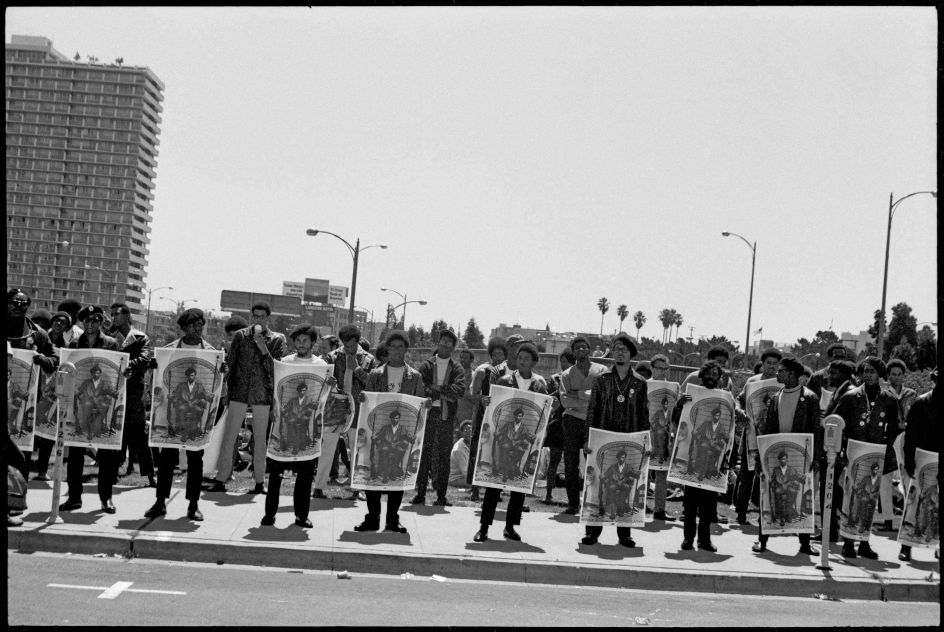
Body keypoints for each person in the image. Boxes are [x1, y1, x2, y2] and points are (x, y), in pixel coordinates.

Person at [145, 308, 223, 522]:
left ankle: (193, 505)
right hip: (177, 415)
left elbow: (212, 386)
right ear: (183, 328)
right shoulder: (169, 350)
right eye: (191, 325)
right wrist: (155, 367)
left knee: (195, 461)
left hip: (196, 418)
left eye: (199, 325)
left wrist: (221, 370)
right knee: (167, 459)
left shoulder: (210, 352)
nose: (196, 329)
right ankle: (160, 502)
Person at [353, 330, 430, 534]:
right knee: (374, 473)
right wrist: (363, 399)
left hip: (401, 437)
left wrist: (426, 404)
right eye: (393, 347)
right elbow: (367, 400)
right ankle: (372, 518)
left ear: (406, 350)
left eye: (400, 347)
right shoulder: (375, 374)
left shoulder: (415, 377)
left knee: (398, 474)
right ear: (387, 349)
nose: (396, 350)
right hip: (378, 432)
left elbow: (419, 405)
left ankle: (392, 520)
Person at [207, 302, 286, 494]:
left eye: (262, 316)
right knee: (229, 437)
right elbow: (231, 363)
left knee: (260, 440)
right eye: (255, 316)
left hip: (262, 395)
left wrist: (262, 347)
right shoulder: (240, 336)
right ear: (252, 317)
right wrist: (226, 387)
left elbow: (276, 369)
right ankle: (221, 478)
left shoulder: (277, 339)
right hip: (239, 392)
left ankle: (259, 482)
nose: (258, 319)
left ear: (268, 318)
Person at [473, 342, 548, 543]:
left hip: (522, 446)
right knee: (493, 484)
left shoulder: (540, 384)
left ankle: (510, 527)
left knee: (518, 486)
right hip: (502, 442)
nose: (522, 361)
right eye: (519, 358)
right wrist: (485, 401)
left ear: (534, 362)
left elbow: (542, 413)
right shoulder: (504, 380)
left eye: (527, 359)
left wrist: (553, 406)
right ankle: (483, 527)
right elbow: (492, 403)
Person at [581, 333, 649, 548]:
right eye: (617, 348)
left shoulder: (639, 383)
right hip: (603, 439)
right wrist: (587, 439)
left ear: (631, 355)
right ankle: (592, 531)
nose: (620, 352)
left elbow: (644, 415)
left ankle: (624, 534)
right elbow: (592, 411)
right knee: (600, 484)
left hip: (629, 441)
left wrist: (646, 443)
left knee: (625, 486)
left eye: (624, 349)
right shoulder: (602, 380)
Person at [751, 356, 820, 555]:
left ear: (791, 373)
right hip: (777, 453)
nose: (778, 373)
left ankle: (805, 544)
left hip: (800, 455)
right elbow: (767, 429)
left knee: (800, 497)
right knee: (769, 497)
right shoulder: (776, 397)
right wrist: (760, 457)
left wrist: (815, 458)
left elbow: (816, 429)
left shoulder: (810, 398)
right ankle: (762, 541)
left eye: (781, 370)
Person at [260, 324, 326, 528]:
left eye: (305, 340)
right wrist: (273, 408)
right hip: (284, 426)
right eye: (298, 340)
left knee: (305, 478)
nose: (301, 344)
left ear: (313, 343)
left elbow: (324, 395)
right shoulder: (285, 363)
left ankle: (301, 516)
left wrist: (330, 383)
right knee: (276, 476)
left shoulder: (321, 364)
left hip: (307, 430)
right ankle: (269, 514)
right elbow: (275, 389)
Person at [833, 357, 899, 560]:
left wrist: (886, 449)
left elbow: (895, 427)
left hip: (876, 456)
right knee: (851, 498)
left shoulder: (888, 399)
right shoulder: (851, 397)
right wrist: (842, 450)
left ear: (880, 374)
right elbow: (836, 423)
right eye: (865, 371)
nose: (868, 374)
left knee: (869, 500)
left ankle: (864, 543)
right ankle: (848, 544)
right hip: (854, 453)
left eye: (872, 371)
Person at [58, 305, 121, 513]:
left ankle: (106, 498)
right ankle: (74, 497)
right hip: (82, 403)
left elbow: (116, 372)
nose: (91, 324)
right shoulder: (75, 343)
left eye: (95, 320)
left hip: (103, 405)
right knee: (75, 453)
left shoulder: (111, 344)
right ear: (82, 323)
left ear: (101, 321)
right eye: (87, 320)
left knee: (107, 455)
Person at [674, 360, 727, 552]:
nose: (711, 377)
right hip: (695, 462)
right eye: (709, 374)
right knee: (690, 503)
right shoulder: (691, 396)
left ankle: (704, 540)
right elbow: (679, 422)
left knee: (708, 504)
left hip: (713, 464)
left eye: (716, 374)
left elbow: (729, 433)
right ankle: (688, 538)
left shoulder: (726, 400)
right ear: (702, 375)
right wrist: (680, 405)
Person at [415, 328, 466, 506]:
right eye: (442, 341)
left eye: (449, 342)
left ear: (453, 347)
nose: (445, 344)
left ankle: (441, 496)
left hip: (446, 416)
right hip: (428, 415)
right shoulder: (427, 365)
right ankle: (420, 494)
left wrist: (436, 388)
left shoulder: (457, 367)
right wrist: (444, 392)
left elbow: (459, 390)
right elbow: (421, 388)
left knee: (444, 457)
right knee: (424, 455)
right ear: (438, 342)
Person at [732, 348, 783, 524]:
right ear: (762, 364)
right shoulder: (752, 381)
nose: (772, 366)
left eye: (776, 363)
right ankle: (740, 513)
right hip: (752, 435)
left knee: (771, 476)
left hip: (774, 437)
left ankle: (765, 515)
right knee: (747, 475)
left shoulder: (783, 383)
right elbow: (739, 399)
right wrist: (739, 411)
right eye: (769, 363)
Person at [325, 325, 375, 501]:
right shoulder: (333, 357)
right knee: (328, 447)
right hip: (335, 407)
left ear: (358, 342)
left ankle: (357, 488)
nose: (349, 349)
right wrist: (329, 381)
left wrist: (357, 369)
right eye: (346, 346)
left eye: (352, 346)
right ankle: (319, 486)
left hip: (357, 409)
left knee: (357, 449)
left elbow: (373, 386)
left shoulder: (368, 360)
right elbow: (323, 380)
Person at [559, 336, 608, 514]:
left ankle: (593, 501)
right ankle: (573, 503)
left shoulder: (602, 370)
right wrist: (590, 399)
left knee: (594, 463)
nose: (580, 350)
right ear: (573, 351)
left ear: (589, 349)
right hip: (571, 420)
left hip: (594, 422)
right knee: (571, 463)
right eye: (577, 348)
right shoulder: (566, 375)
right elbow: (564, 402)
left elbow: (603, 397)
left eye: (583, 347)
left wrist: (578, 394)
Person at [109, 302, 155, 486]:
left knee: (140, 435)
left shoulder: (140, 337)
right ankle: (112, 471)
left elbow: (145, 359)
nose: (113, 317)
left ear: (127, 316)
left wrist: (129, 366)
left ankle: (150, 474)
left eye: (116, 314)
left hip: (133, 392)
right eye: (111, 314)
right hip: (113, 390)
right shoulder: (109, 338)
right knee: (114, 432)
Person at [898, 369, 939, 561]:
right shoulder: (921, 403)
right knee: (914, 503)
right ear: (934, 381)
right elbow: (911, 434)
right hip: (923, 457)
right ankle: (906, 546)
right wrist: (909, 460)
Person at [466, 336, 508, 502]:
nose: (497, 357)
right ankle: (475, 490)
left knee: (497, 453)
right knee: (478, 452)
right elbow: (473, 394)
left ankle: (494, 490)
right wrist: (481, 399)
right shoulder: (483, 371)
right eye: (495, 354)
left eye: (501, 354)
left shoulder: (508, 374)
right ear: (491, 354)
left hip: (500, 420)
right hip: (483, 417)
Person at [543, 349, 573, 504]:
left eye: (566, 361)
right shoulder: (555, 378)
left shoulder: (576, 379)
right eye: (562, 361)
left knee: (570, 463)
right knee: (554, 461)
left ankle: (571, 498)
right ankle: (548, 494)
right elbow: (550, 398)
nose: (563, 364)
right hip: (558, 424)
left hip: (573, 424)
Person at [372, 409, 414, 483]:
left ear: (399, 418)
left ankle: (391, 473)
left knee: (398, 453)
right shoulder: (386, 428)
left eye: (397, 418)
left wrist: (413, 438)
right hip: (387, 447)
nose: (395, 420)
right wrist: (373, 437)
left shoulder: (403, 428)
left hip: (397, 448)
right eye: (393, 418)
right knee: (384, 452)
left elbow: (410, 439)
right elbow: (378, 436)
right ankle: (387, 475)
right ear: (390, 419)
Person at [602, 450, 638, 519]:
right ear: (617, 458)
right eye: (620, 457)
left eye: (623, 457)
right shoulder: (612, 467)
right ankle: (613, 511)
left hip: (624, 485)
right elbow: (606, 474)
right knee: (611, 488)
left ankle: (620, 508)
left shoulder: (628, 467)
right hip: (614, 484)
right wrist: (602, 477)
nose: (622, 459)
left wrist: (637, 474)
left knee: (625, 490)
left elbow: (635, 475)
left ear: (625, 458)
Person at [455, 347, 477, 437]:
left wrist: (464, 393)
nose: (463, 360)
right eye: (461, 357)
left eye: (465, 358)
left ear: (471, 360)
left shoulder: (475, 376)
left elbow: (476, 398)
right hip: (454, 415)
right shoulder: (454, 374)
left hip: (467, 417)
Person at [449, 420, 473, 486]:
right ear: (462, 433)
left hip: (466, 477)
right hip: (457, 479)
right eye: (466, 430)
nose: (469, 432)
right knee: (478, 483)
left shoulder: (471, 445)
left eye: (471, 430)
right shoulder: (458, 449)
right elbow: (465, 472)